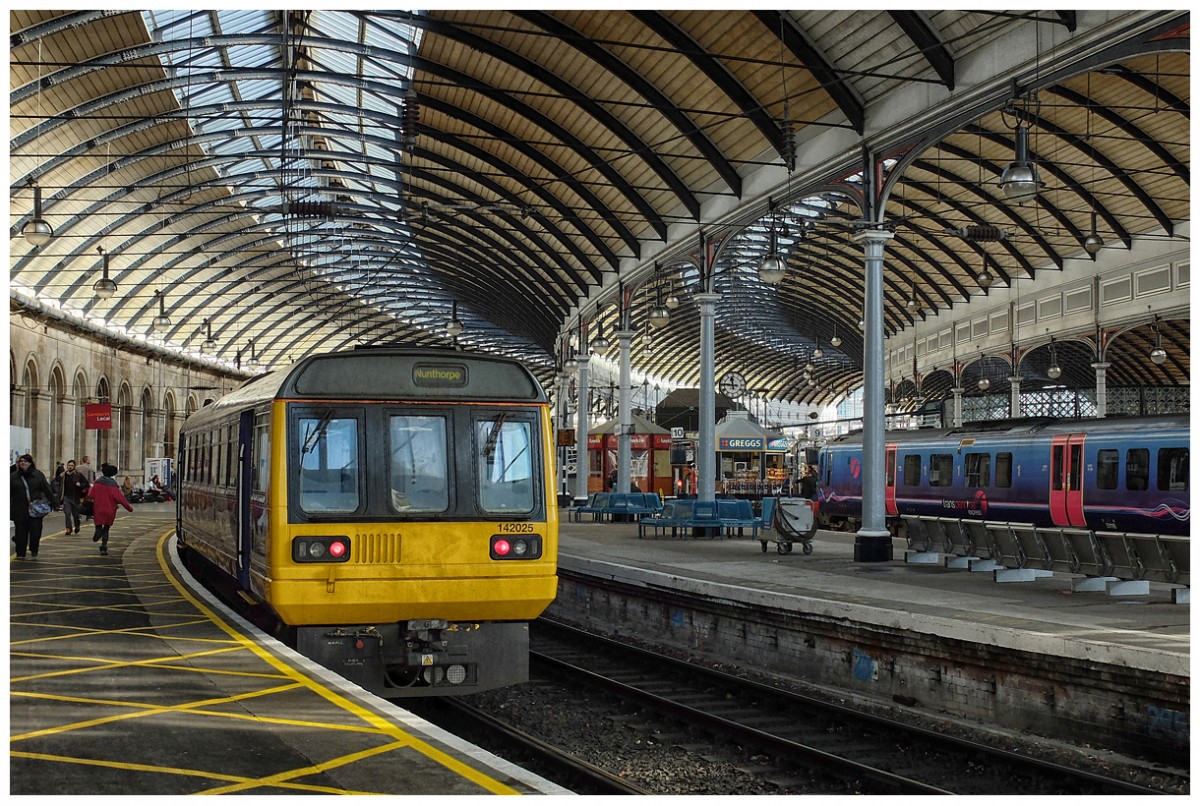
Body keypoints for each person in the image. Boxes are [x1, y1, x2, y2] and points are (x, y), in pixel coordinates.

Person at [10, 454, 57, 559]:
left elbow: (47, 489)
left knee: (35, 531)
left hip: (35, 509)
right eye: (21, 461)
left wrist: (55, 503)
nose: (23, 463)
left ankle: (34, 549)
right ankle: (20, 552)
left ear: (30, 463)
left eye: (25, 461)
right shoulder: (14, 477)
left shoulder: (38, 475)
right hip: (19, 509)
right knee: (20, 532)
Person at [88, 463, 133, 556]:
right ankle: (103, 548)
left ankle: (97, 532)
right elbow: (121, 499)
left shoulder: (97, 483)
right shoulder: (113, 485)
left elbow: (90, 495)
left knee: (99, 526)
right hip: (110, 510)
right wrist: (129, 508)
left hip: (98, 509)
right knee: (106, 530)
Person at [60, 459, 90, 535]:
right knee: (67, 514)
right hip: (66, 497)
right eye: (69, 465)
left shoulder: (78, 475)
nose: (70, 467)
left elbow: (86, 484)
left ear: (74, 466)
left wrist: (80, 484)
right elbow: (60, 487)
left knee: (76, 515)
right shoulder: (63, 475)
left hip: (76, 498)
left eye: (72, 465)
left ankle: (77, 526)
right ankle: (68, 529)